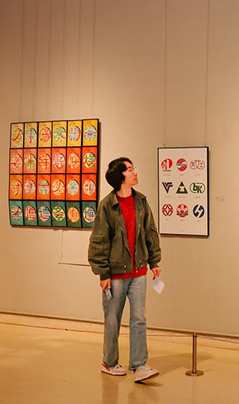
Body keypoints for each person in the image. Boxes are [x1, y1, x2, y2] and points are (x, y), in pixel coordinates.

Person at [88, 157, 162, 382]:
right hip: (115, 275)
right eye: (130, 169)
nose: (135, 172)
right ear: (120, 177)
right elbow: (99, 240)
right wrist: (103, 273)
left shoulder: (141, 202)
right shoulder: (107, 205)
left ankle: (139, 365)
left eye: (133, 168)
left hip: (138, 272)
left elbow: (150, 232)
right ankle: (109, 363)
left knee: (139, 318)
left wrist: (154, 262)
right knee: (112, 320)